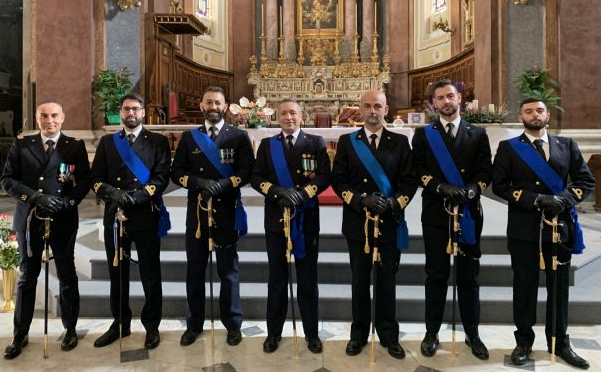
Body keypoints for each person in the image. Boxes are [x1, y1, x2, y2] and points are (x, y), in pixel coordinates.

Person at [493, 98, 594, 369]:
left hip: (559, 226)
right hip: (524, 228)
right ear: (520, 117)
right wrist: (536, 199)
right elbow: (500, 185)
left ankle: (559, 342)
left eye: (539, 110)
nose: (534, 115)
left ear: (548, 115)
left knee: (558, 288)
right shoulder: (509, 147)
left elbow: (586, 180)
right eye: (528, 111)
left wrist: (564, 200)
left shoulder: (567, 145)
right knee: (524, 287)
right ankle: (523, 341)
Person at [1, 101, 91, 359]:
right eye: (44, 116)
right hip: (30, 219)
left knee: (66, 274)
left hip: (63, 218)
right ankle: (20, 334)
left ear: (62, 118)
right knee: (27, 277)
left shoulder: (74, 146)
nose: (49, 120)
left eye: (54, 116)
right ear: (37, 118)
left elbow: (84, 180)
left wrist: (67, 201)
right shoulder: (22, 144)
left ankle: (70, 329)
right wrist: (34, 197)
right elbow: (7, 180)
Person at [331, 89, 417, 360]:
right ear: (360, 109)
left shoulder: (400, 141)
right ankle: (358, 334)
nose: (372, 111)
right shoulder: (347, 142)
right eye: (367, 106)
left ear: (386, 109)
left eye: (377, 106)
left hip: (389, 221)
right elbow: (338, 180)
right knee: (359, 280)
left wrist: (393, 203)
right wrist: (360, 200)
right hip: (358, 222)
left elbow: (409, 181)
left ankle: (389, 334)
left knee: (386, 280)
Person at [411, 79, 492, 360]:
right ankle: (431, 332)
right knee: (436, 275)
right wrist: (439, 187)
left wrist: (470, 190)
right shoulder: (424, 135)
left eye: (450, 96)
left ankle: (473, 333)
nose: (446, 101)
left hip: (468, 213)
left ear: (460, 98)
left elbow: (485, 171)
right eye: (440, 98)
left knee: (469, 276)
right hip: (436, 212)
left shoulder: (478, 133)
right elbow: (418, 169)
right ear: (433, 103)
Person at [171, 86, 254, 347]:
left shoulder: (238, 136)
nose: (213, 107)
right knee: (195, 270)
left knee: (228, 271)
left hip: (226, 210)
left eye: (218, 103)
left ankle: (233, 324)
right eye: (209, 102)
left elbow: (246, 171)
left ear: (225, 107)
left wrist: (224, 184)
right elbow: (177, 172)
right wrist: (199, 183)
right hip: (197, 212)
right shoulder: (189, 138)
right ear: (202, 105)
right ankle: (194, 324)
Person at [91, 93, 171, 350]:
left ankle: (152, 326)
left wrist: (136, 197)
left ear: (143, 112)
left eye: (135, 109)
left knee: (150, 273)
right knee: (117, 273)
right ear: (120, 112)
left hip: (145, 214)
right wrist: (113, 194)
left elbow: (161, 178)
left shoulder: (158, 141)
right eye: (126, 109)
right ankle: (120, 323)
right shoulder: (107, 142)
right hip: (115, 216)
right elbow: (96, 178)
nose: (131, 113)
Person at [251, 98, 331, 354]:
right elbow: (256, 177)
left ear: (301, 116)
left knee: (307, 279)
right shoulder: (267, 145)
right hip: (276, 217)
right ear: (277, 117)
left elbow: (324, 176)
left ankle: (312, 333)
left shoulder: (315, 142)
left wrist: (303, 194)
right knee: (277, 279)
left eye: (293, 113)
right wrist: (277, 192)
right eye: (284, 113)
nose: (288, 117)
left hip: (306, 218)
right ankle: (273, 333)